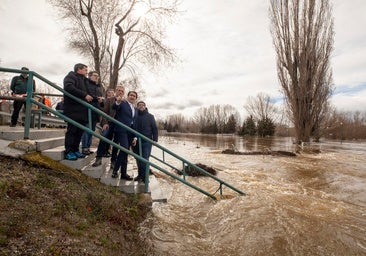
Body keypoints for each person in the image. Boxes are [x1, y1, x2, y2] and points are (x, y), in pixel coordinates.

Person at [63, 63, 93, 161]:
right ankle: (68, 151)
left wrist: (97, 99)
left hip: (82, 111)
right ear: (78, 69)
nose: (86, 72)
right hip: (73, 110)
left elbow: (88, 94)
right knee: (72, 131)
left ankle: (75, 149)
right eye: (85, 69)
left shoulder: (84, 80)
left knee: (79, 132)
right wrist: (84, 95)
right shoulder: (71, 76)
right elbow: (69, 87)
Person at [92, 85, 124, 168]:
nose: (120, 92)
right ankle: (98, 158)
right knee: (104, 137)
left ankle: (113, 161)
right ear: (116, 91)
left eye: (122, 91)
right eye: (119, 90)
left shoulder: (125, 102)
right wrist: (105, 123)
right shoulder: (109, 100)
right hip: (109, 123)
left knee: (116, 143)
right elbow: (104, 112)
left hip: (119, 125)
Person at [111, 91, 138, 180]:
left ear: (135, 98)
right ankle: (115, 170)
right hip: (121, 130)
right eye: (131, 95)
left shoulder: (135, 109)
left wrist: (135, 137)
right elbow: (114, 107)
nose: (132, 97)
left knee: (125, 152)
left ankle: (123, 173)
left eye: (134, 96)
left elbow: (134, 123)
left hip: (130, 133)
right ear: (128, 96)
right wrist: (118, 101)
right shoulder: (122, 103)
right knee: (125, 148)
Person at [132, 101, 158, 183]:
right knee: (138, 159)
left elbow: (154, 128)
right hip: (135, 141)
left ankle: (145, 177)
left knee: (145, 159)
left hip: (146, 141)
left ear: (145, 106)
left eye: (142, 105)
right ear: (137, 106)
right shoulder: (135, 116)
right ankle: (140, 175)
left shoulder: (150, 116)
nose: (141, 106)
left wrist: (155, 140)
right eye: (139, 105)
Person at [81, 71, 103, 155]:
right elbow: (86, 95)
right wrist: (96, 98)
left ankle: (88, 147)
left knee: (92, 130)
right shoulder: (86, 83)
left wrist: (101, 101)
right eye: (95, 75)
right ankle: (84, 147)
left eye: (98, 76)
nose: (97, 77)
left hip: (95, 111)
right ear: (90, 76)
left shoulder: (99, 87)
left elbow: (100, 100)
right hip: (87, 110)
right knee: (86, 129)